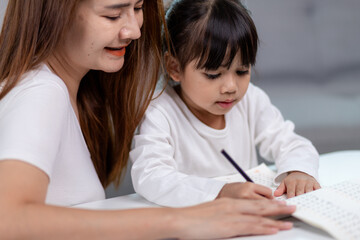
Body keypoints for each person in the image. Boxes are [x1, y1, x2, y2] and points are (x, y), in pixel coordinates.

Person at [0, 0, 296, 239]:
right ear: (57, 13)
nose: (135, 30)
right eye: (114, 14)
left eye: (138, 8)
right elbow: (8, 219)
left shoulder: (69, 91)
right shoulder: (40, 92)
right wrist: (184, 220)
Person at [130, 0, 321, 208]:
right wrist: (219, 192)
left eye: (242, 71)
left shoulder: (250, 100)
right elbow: (150, 176)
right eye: (213, 75)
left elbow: (291, 143)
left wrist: (299, 171)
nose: (231, 87)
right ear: (174, 67)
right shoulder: (160, 112)